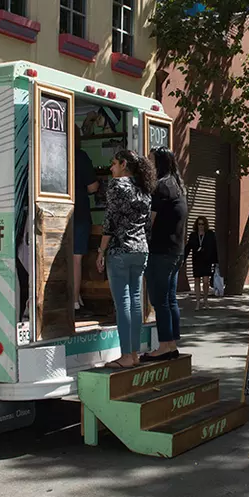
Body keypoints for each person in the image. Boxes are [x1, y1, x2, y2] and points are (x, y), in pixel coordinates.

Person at [96, 150, 155, 368]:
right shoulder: (144, 188)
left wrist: (101, 251)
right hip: (140, 249)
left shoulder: (117, 186)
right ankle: (135, 353)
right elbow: (147, 224)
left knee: (123, 304)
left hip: (120, 249)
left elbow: (110, 221)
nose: (111, 169)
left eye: (113, 164)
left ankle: (125, 356)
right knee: (135, 301)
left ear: (123, 164)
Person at [142, 147, 187, 361]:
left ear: (159, 162)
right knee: (170, 300)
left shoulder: (161, 187)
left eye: (151, 160)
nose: (148, 163)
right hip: (175, 251)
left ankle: (163, 346)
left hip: (160, 251)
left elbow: (150, 221)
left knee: (159, 301)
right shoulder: (177, 186)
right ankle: (170, 344)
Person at [73, 146, 99, 311]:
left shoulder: (48, 150)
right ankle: (74, 300)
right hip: (79, 212)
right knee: (76, 258)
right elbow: (93, 187)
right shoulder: (80, 156)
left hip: (53, 211)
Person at [184, 216, 219, 311]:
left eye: (202, 224)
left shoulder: (210, 234)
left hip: (207, 261)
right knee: (196, 281)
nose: (201, 226)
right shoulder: (193, 235)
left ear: (205, 225)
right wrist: (183, 259)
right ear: (196, 225)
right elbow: (188, 247)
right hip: (197, 260)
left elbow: (214, 248)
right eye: (199, 224)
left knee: (206, 281)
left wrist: (216, 261)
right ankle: (198, 302)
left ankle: (206, 301)